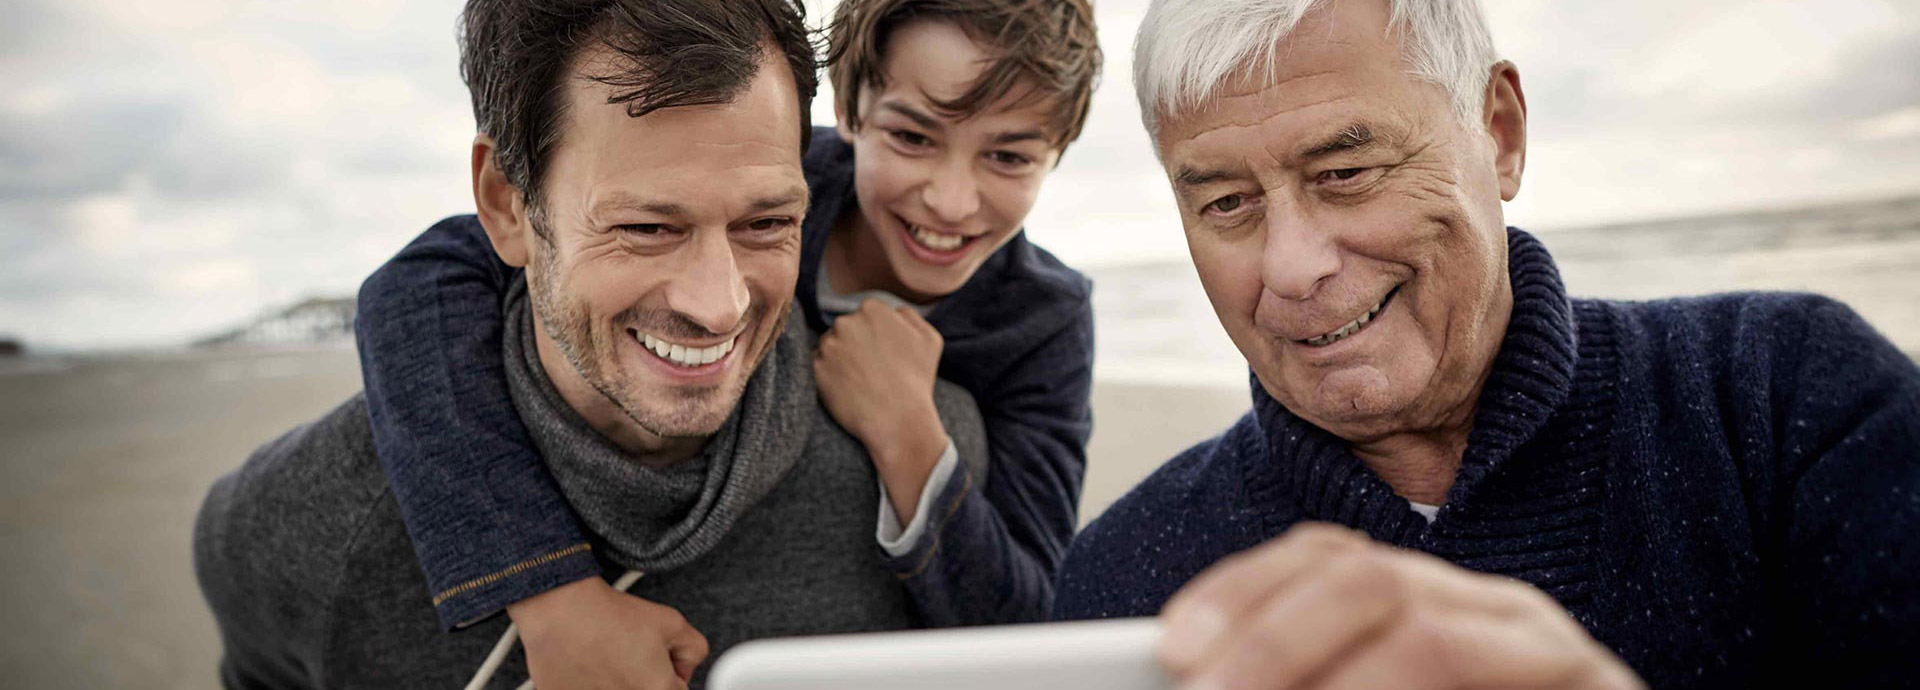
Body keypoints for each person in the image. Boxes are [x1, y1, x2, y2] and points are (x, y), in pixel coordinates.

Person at [1053, 0, 1920, 687]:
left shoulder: (1792, 402)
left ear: (1499, 133)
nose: (1291, 267)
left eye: (1346, 174)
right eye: (1227, 205)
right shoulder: (1119, 583)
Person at [193, 1, 994, 687]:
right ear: (507, 206)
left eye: (765, 223)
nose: (718, 306)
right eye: (647, 228)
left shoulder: (922, 468)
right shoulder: (314, 524)